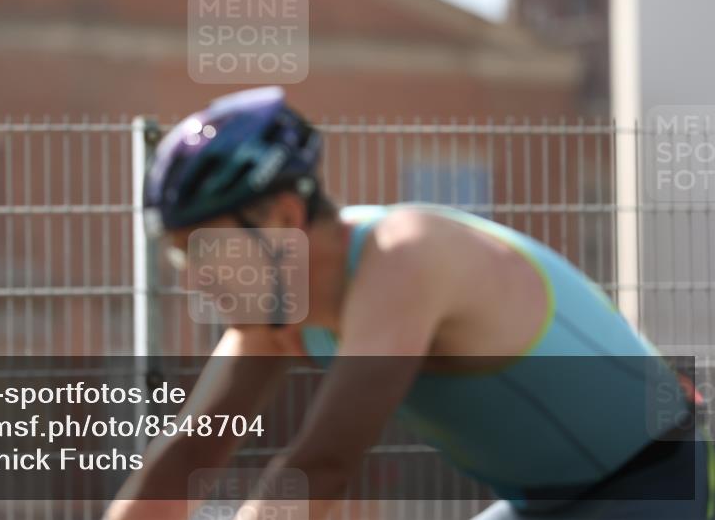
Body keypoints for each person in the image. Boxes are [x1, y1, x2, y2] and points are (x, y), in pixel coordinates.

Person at [105, 87, 710, 520]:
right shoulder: (272, 314)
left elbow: (322, 465)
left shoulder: (406, 257)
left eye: (205, 253)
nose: (195, 280)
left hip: (669, 480)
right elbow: (188, 456)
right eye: (183, 259)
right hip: (548, 502)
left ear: (285, 219)